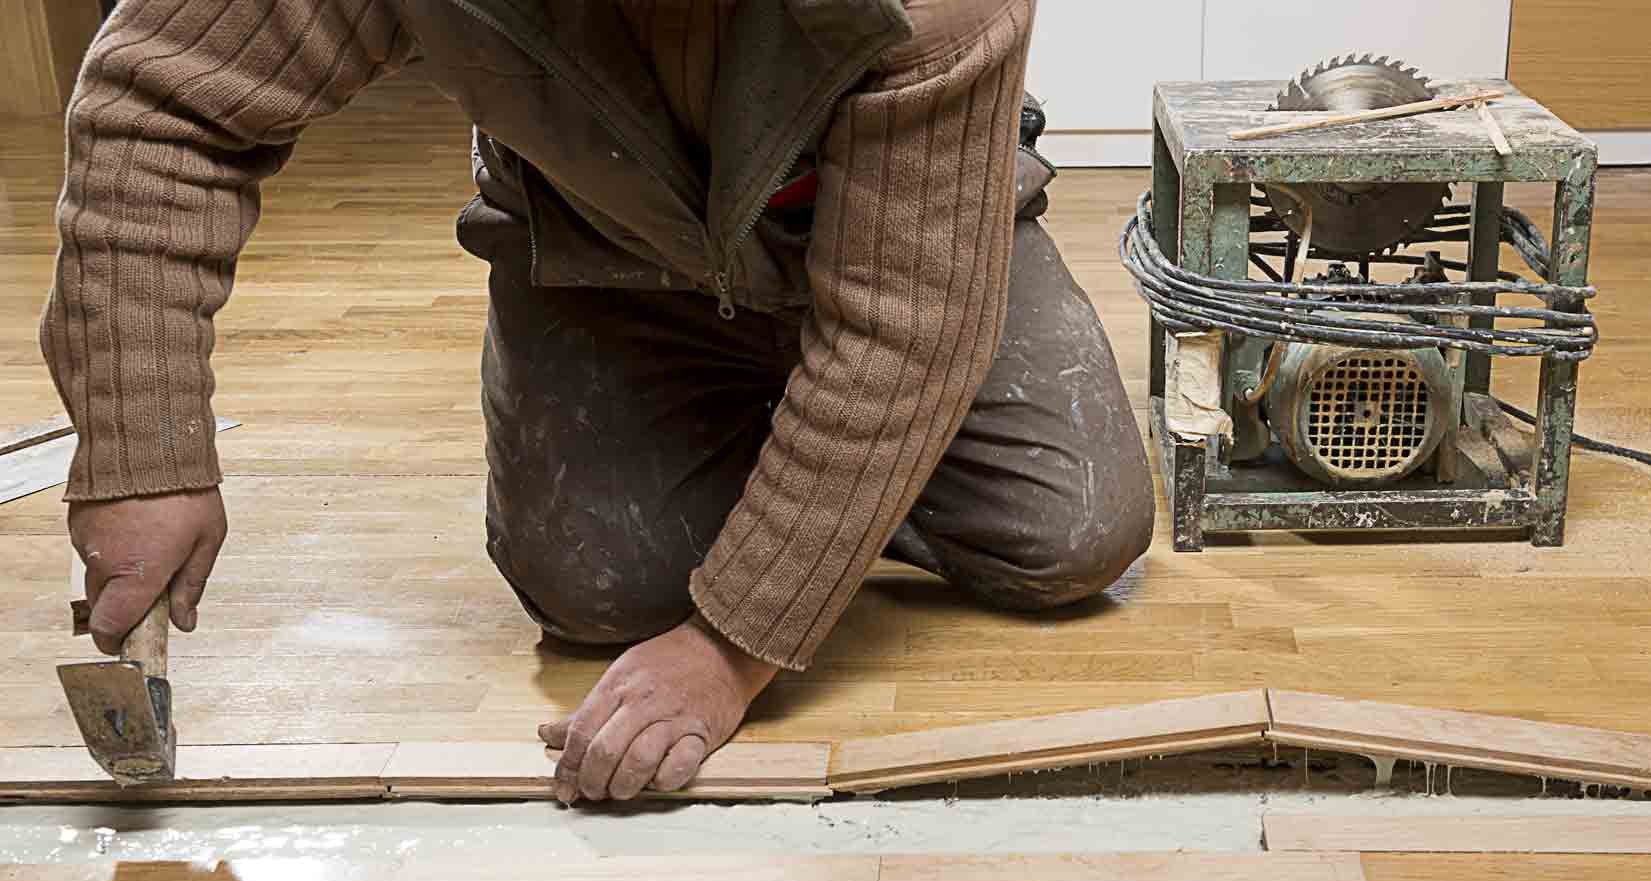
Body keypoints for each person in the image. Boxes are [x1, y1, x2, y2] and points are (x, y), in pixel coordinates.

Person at [43, 0, 1154, 804]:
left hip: (901, 230)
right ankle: (823, 469)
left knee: (1069, 532)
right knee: (597, 591)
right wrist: (145, 450)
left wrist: (731, 645)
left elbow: (901, 323)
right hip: (604, 243)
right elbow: (160, 103)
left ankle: (836, 470)